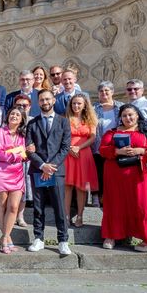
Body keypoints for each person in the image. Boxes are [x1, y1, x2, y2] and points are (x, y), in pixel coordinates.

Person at [99, 104, 147, 252]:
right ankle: (112, 235)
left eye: (130, 115)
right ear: (120, 118)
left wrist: (142, 150)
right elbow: (103, 150)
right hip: (117, 177)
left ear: (137, 115)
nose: (127, 118)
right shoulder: (112, 133)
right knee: (116, 205)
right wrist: (118, 151)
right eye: (124, 115)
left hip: (143, 177)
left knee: (144, 205)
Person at [26, 89, 72, 256]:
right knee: (38, 207)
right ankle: (38, 238)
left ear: (53, 100)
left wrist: (50, 166)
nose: (45, 102)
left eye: (47, 99)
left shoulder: (63, 122)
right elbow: (29, 149)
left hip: (56, 171)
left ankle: (63, 240)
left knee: (60, 207)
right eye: (41, 100)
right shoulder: (32, 123)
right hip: (38, 170)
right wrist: (42, 165)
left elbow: (65, 147)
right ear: (38, 103)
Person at [0, 107, 27, 253]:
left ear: (22, 119)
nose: (14, 116)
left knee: (14, 207)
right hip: (1, 172)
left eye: (18, 115)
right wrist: (15, 155)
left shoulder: (22, 135)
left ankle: (4, 237)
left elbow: (25, 154)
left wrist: (16, 154)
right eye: (12, 113)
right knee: (3, 206)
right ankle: (7, 239)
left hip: (17, 174)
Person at [64, 94, 98, 227]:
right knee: (67, 186)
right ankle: (66, 216)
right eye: (74, 103)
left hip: (84, 154)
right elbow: (60, 136)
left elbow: (92, 138)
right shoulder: (65, 118)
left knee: (82, 187)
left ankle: (80, 216)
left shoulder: (90, 119)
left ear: (85, 105)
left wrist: (79, 147)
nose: (76, 106)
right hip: (68, 154)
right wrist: (69, 148)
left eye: (79, 103)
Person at [92, 81, 123, 206]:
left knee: (114, 175)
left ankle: (114, 198)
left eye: (107, 90)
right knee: (99, 174)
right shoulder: (93, 108)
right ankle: (98, 197)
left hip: (116, 146)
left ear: (112, 92)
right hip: (98, 147)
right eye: (101, 91)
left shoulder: (121, 107)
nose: (104, 93)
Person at [13, 95, 33, 227]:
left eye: (24, 106)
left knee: (24, 188)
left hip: (27, 161)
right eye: (18, 106)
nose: (21, 108)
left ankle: (20, 216)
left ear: (29, 107)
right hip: (12, 160)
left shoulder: (33, 121)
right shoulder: (10, 120)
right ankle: (11, 214)